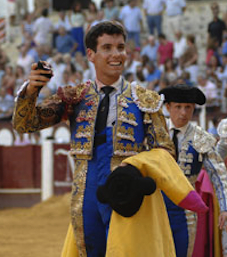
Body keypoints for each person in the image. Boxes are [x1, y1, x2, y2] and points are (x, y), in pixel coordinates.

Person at [13, 21, 207, 257]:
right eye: (107, 48)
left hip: (127, 189)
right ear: (91, 54)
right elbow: (25, 124)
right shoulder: (75, 97)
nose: (116, 54)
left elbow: (165, 150)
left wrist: (136, 167)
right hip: (86, 190)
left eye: (120, 47)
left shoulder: (145, 99)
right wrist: (32, 90)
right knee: (90, 249)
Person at [159, 84, 227, 257]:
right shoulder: (156, 132)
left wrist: (225, 207)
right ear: (168, 107)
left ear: (193, 108)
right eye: (178, 107)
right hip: (156, 204)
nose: (183, 112)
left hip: (185, 208)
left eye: (188, 107)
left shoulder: (201, 137)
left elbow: (219, 174)